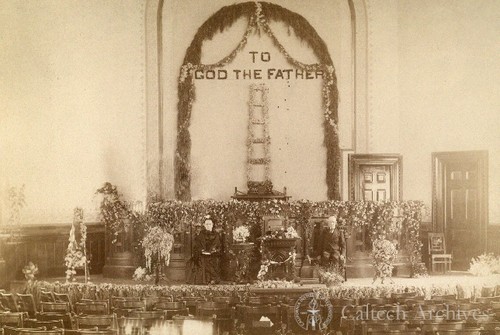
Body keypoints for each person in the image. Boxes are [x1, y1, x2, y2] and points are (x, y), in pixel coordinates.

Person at [197, 217, 222, 284]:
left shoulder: (216, 234)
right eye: (207, 224)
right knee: (204, 260)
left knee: (212, 261)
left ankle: (213, 278)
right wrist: (201, 250)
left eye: (209, 224)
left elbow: (219, 245)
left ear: (212, 225)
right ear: (204, 225)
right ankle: (208, 279)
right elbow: (197, 245)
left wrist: (214, 250)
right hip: (203, 254)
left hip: (213, 254)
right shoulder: (201, 234)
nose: (208, 225)